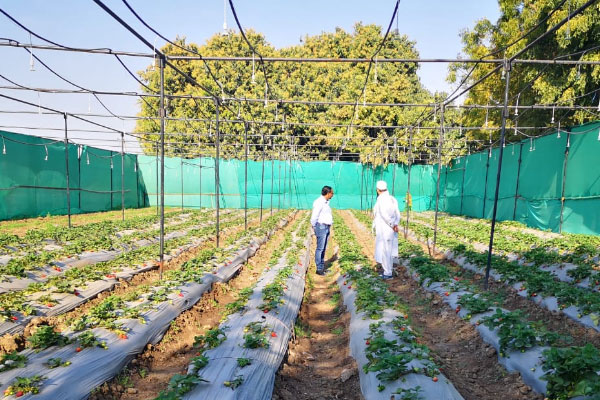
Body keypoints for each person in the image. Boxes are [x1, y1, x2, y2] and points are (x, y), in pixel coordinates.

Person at [372, 180, 400, 280]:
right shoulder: (392, 199)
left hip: (385, 229)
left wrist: (392, 225)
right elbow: (398, 214)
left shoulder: (381, 200)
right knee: (389, 250)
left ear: (378, 190)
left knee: (386, 251)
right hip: (390, 229)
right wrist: (396, 224)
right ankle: (388, 270)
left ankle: (388, 273)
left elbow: (384, 215)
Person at [310, 185, 334, 275]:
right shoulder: (319, 202)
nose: (332, 195)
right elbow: (314, 217)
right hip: (321, 227)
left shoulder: (326, 202)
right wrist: (315, 227)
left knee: (323, 248)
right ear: (328, 193)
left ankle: (322, 267)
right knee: (320, 248)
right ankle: (319, 269)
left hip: (326, 227)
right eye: (332, 193)